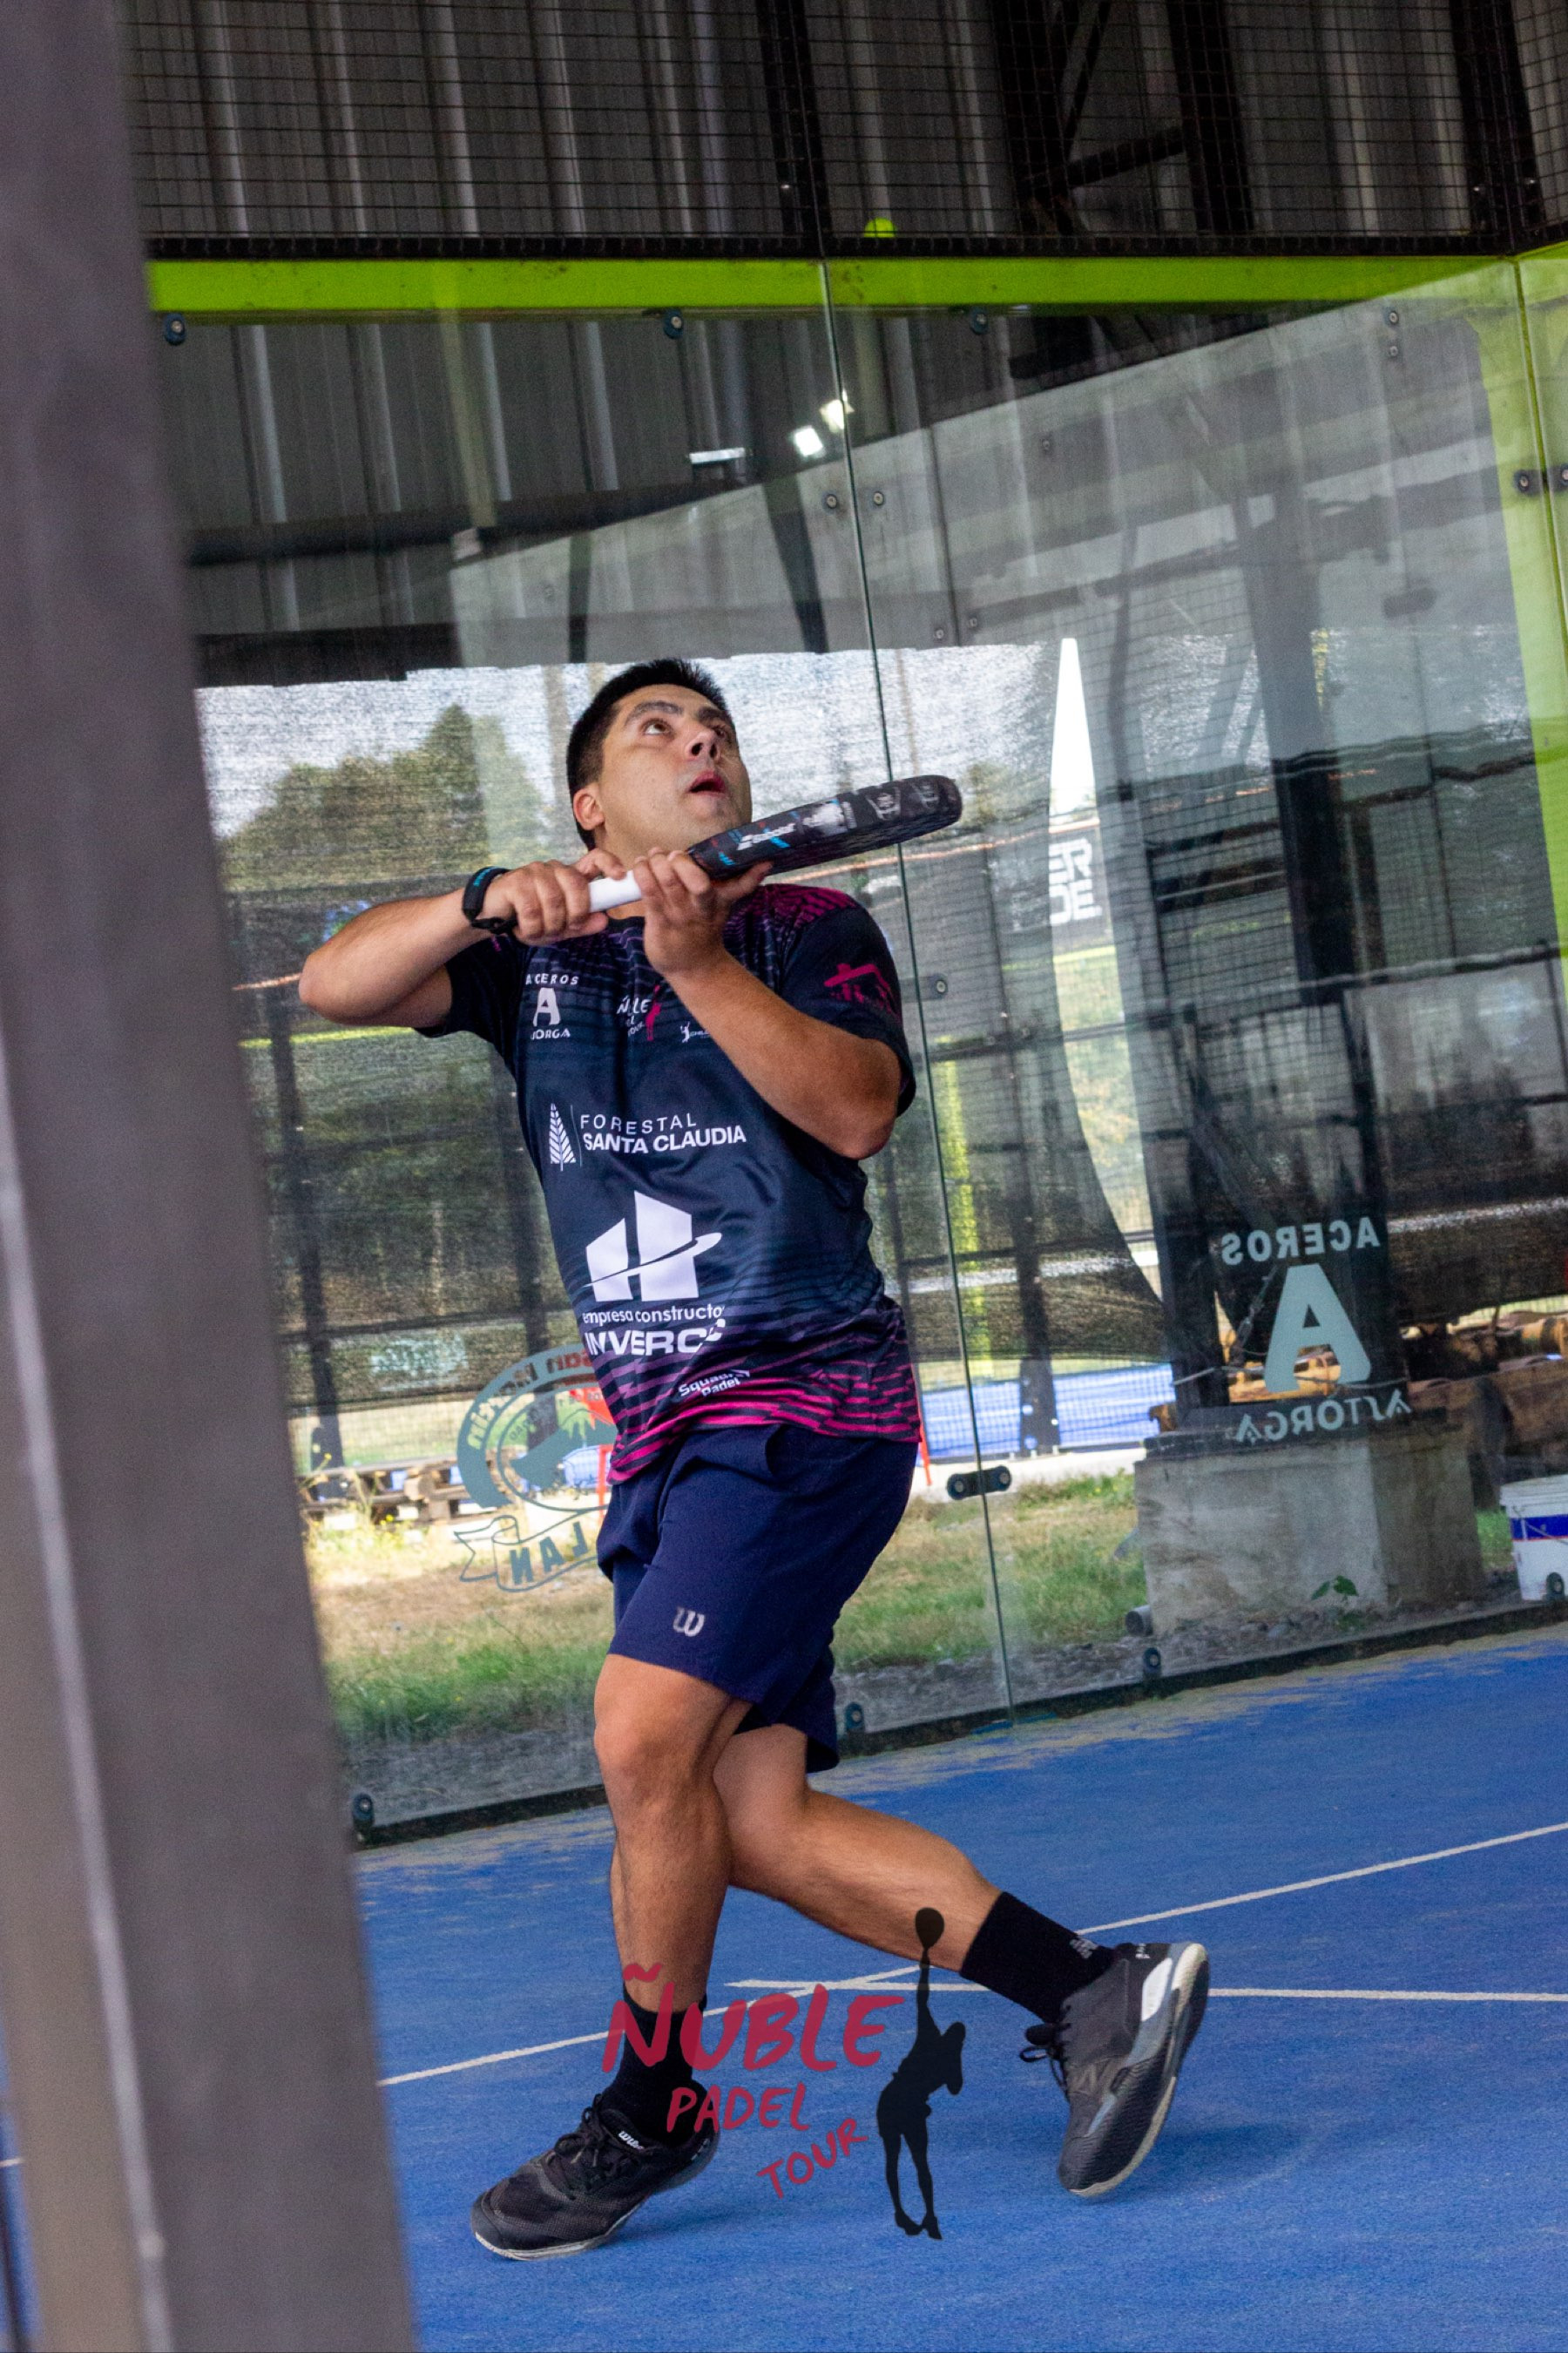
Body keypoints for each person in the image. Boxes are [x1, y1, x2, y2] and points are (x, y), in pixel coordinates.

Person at [299, 657, 1208, 2259]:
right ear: (592, 804)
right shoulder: (532, 966)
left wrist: (698, 959)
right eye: (655, 730)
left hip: (800, 1406)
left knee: (640, 1731)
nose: (698, 739)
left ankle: (653, 2106)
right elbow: (332, 985)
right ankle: (1088, 1990)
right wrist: (485, 896)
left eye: (711, 727)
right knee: (752, 1823)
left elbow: (856, 1112)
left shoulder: (808, 930)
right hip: (666, 1444)